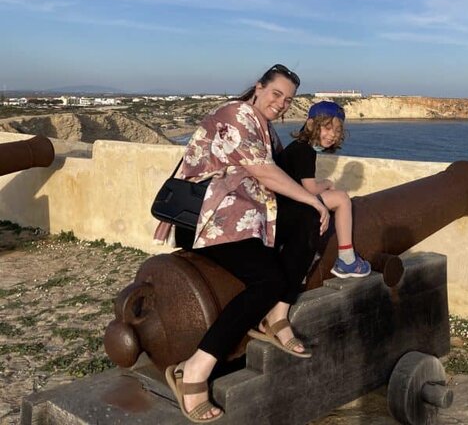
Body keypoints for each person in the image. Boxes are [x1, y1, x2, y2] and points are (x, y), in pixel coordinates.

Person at [153, 64, 329, 423]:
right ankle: (193, 370)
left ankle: (276, 317)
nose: (281, 103)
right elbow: (265, 172)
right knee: (270, 280)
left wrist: (320, 197)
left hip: (246, 222)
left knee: (310, 220)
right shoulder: (236, 115)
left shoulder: (265, 129)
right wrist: (312, 199)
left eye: (288, 100)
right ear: (258, 87)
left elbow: (286, 176)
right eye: (276, 94)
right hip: (212, 221)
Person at [278, 101, 371, 278]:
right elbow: (311, 189)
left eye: (337, 131)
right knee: (342, 199)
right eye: (327, 128)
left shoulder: (297, 147)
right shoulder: (305, 151)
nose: (332, 135)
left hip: (283, 205)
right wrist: (328, 183)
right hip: (287, 209)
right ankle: (347, 259)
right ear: (312, 124)